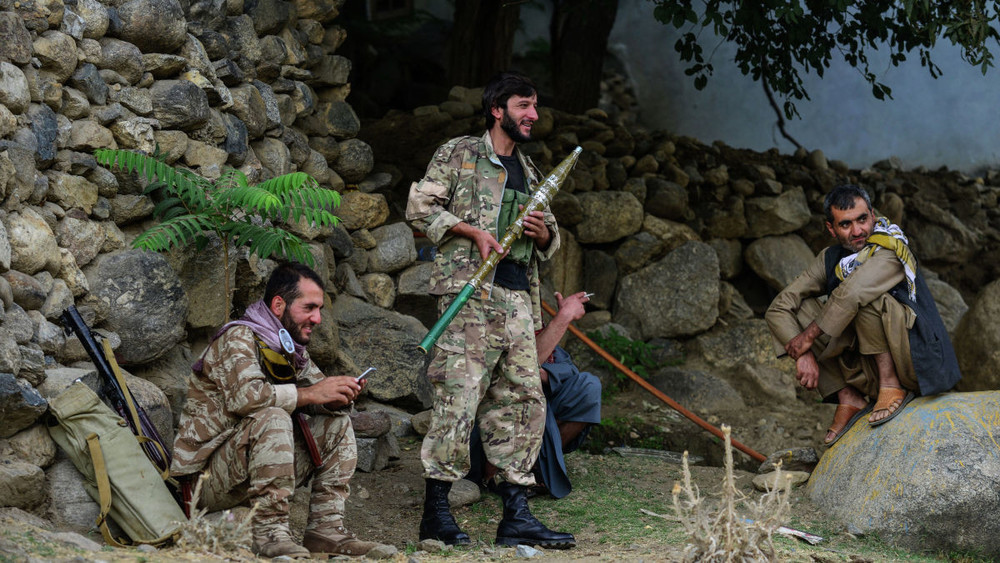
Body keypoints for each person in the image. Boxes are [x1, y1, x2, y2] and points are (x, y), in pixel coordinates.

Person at [405, 71, 574, 549]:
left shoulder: (531, 169)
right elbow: (419, 208)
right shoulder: (460, 152)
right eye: (524, 105)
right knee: (458, 399)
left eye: (535, 106)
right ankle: (435, 514)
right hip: (468, 298)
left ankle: (516, 515)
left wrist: (545, 234)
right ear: (498, 109)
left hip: (518, 301)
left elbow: (551, 236)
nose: (533, 115)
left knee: (523, 402)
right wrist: (470, 231)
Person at [171, 262, 381, 558]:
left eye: (319, 309)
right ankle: (269, 532)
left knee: (337, 424)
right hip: (206, 481)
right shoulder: (238, 337)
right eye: (309, 307)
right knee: (272, 416)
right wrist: (312, 393)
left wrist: (336, 397)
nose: (317, 318)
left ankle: (327, 530)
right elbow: (248, 399)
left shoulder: (290, 348)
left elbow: (315, 392)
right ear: (279, 304)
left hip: (247, 467)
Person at [765, 184, 961, 445]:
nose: (857, 231)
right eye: (845, 225)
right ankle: (849, 398)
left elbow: (854, 292)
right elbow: (779, 306)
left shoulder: (889, 247)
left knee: (866, 296)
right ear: (831, 228)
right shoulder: (830, 258)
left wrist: (808, 337)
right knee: (799, 309)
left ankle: (891, 386)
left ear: (872, 215)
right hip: (867, 366)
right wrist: (802, 353)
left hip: (914, 359)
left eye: (862, 219)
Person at [468, 291, 602, 499]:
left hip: (538, 406)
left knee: (589, 386)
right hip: (495, 419)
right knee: (526, 389)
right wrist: (564, 316)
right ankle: (496, 474)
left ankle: (538, 466)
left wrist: (548, 375)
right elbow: (523, 369)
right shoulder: (494, 315)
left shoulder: (537, 326)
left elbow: (567, 371)